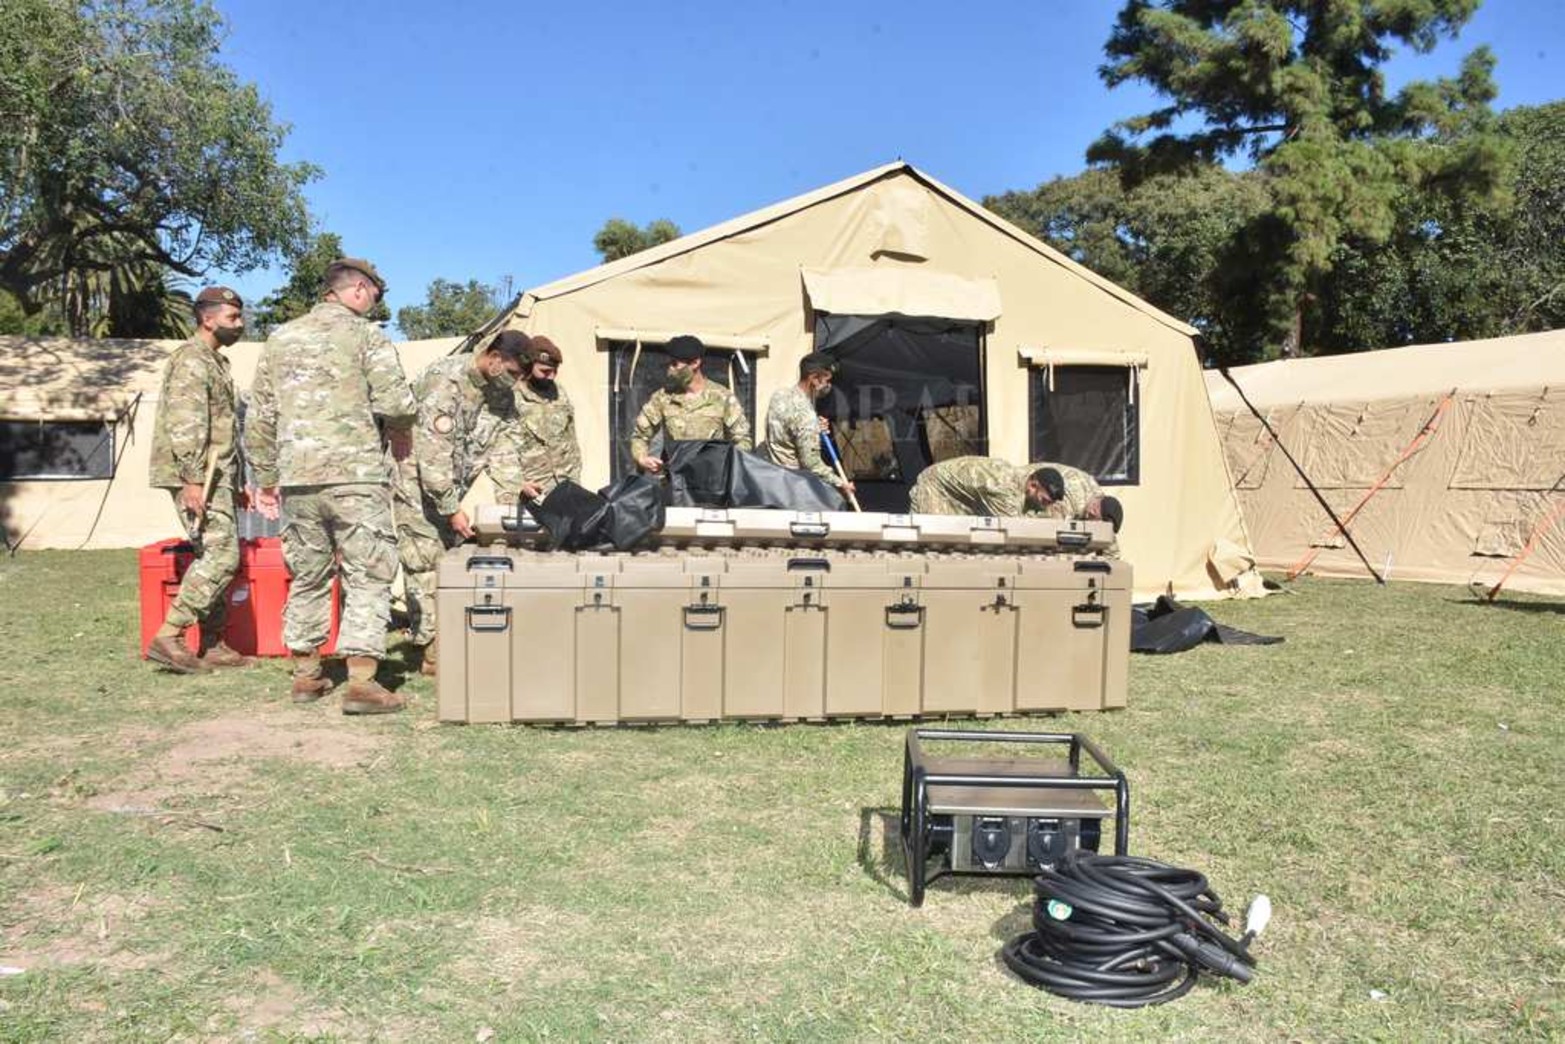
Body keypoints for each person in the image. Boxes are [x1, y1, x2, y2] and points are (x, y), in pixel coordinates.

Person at [246, 257, 418, 715]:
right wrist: (401, 428)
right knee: (368, 573)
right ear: (358, 290)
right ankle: (361, 680)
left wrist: (266, 479)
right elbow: (397, 401)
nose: (374, 306)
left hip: (297, 480)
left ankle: (306, 675)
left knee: (309, 575)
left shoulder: (279, 339)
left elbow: (259, 417)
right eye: (375, 297)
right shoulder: (366, 336)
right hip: (355, 477)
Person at [395, 329, 536, 676]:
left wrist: (516, 488)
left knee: (448, 563)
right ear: (495, 358)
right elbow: (431, 452)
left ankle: (444, 642)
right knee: (425, 564)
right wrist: (450, 508)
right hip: (416, 485)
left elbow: (502, 445)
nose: (516, 383)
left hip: (449, 490)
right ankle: (432, 654)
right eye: (514, 374)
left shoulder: (500, 394)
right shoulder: (448, 380)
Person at [145, 286, 254, 673]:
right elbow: (187, 424)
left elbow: (223, 429)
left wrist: (236, 483)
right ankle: (169, 635)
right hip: (197, 474)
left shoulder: (215, 361)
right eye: (232, 318)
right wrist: (192, 479)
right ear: (207, 318)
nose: (240, 325)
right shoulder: (192, 360)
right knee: (223, 554)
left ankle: (212, 642)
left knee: (215, 553)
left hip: (217, 474)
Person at [630, 334, 751, 473]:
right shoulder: (663, 398)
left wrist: (727, 467)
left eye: (675, 364)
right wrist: (642, 458)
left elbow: (743, 441)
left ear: (695, 363)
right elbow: (640, 436)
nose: (670, 369)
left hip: (711, 484)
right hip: (675, 482)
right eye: (669, 363)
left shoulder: (722, 397)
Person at [762, 352, 855, 499]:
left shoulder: (780, 395)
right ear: (813, 379)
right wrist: (840, 483)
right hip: (791, 487)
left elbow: (789, 428)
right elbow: (811, 463)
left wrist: (815, 428)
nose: (828, 386)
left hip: (768, 480)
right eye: (826, 380)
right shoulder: (806, 416)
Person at [511, 335, 582, 501]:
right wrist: (518, 484)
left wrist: (575, 477)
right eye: (545, 371)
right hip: (532, 489)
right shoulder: (512, 397)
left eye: (555, 371)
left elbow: (571, 439)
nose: (551, 377)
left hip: (566, 486)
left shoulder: (560, 393)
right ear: (528, 366)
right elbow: (501, 450)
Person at [908, 456, 1064, 517]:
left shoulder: (1020, 484)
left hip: (957, 494)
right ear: (1033, 484)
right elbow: (1014, 532)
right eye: (1044, 501)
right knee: (933, 540)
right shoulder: (1005, 489)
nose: (1044, 507)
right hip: (935, 486)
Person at [1027, 460, 1125, 532]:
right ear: (1093, 510)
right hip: (1028, 484)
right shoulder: (1074, 499)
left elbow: (1108, 538)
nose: (1090, 515)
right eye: (1092, 517)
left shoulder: (1100, 501)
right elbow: (1051, 527)